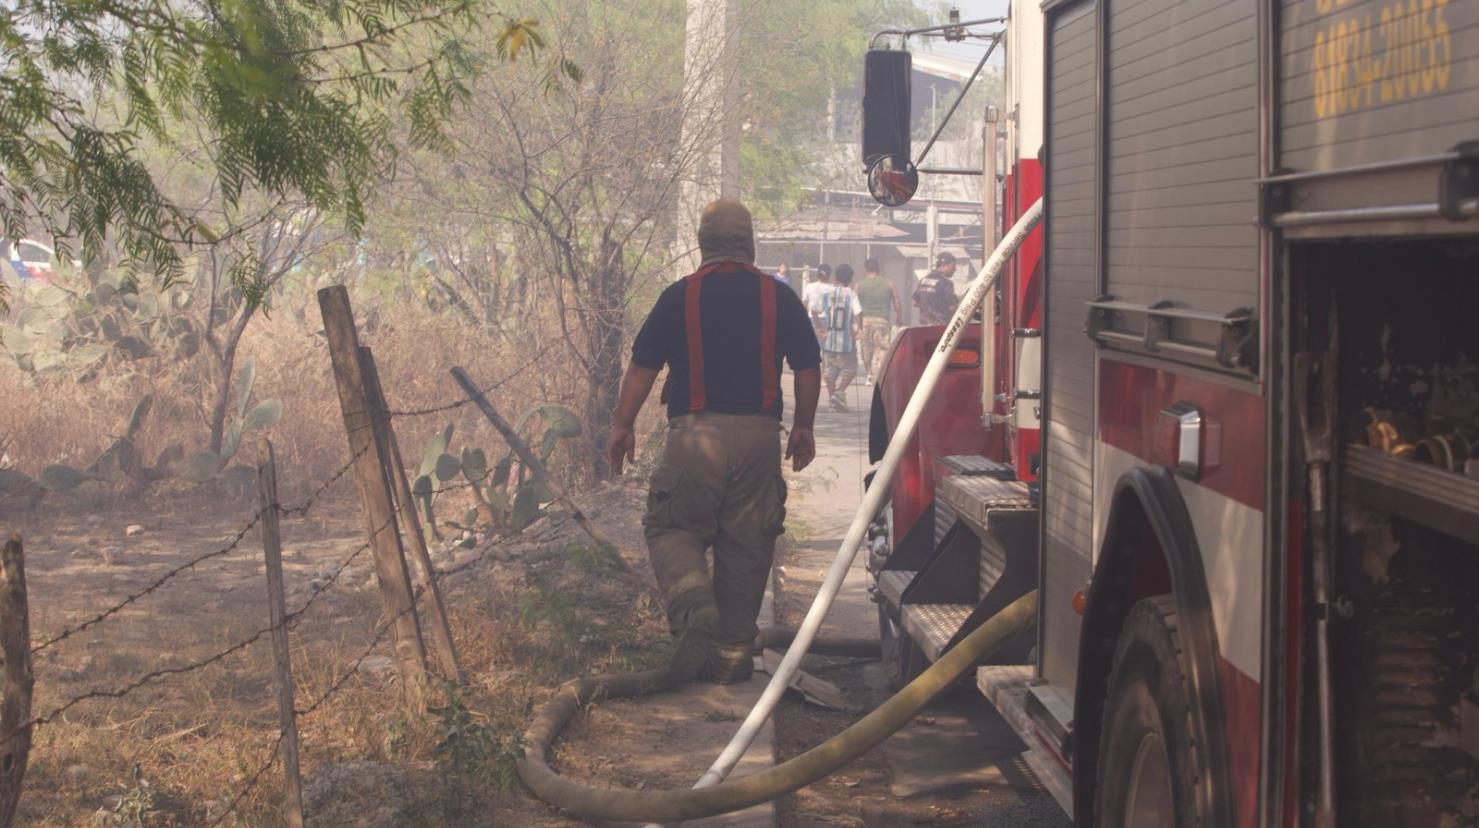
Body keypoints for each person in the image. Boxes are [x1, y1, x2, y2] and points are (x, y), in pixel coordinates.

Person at [606, 199, 821, 685]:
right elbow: (808, 368)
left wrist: (622, 424)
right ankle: (732, 657)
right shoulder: (778, 297)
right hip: (760, 440)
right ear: (749, 244)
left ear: (703, 244)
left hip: (695, 438)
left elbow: (642, 369)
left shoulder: (678, 297)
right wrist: (804, 427)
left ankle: (694, 605)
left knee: (672, 529)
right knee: (747, 545)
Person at [820, 263, 863, 411]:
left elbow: (819, 312)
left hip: (829, 340)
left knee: (829, 371)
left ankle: (833, 401)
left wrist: (821, 328)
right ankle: (839, 392)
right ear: (850, 278)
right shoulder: (850, 294)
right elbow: (858, 312)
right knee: (850, 369)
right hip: (845, 341)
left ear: (835, 277)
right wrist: (859, 328)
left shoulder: (826, 293)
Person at [855, 257, 901, 384]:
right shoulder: (888, 283)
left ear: (865, 269)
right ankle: (881, 375)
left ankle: (869, 374)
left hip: (865, 321)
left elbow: (856, 307)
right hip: (882, 320)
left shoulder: (858, 285)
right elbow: (896, 301)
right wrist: (899, 317)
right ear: (878, 269)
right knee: (883, 348)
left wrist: (858, 326)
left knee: (866, 349)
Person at [913, 251, 960, 326]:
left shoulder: (923, 280)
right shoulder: (946, 283)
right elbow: (953, 308)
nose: (955, 269)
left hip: (923, 326)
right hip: (940, 327)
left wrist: (930, 308)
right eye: (953, 266)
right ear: (944, 265)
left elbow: (915, 303)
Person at [802, 263, 832, 342]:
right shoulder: (832, 288)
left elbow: (804, 302)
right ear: (829, 275)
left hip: (812, 318)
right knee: (825, 345)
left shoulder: (810, 286)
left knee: (812, 344)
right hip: (827, 319)